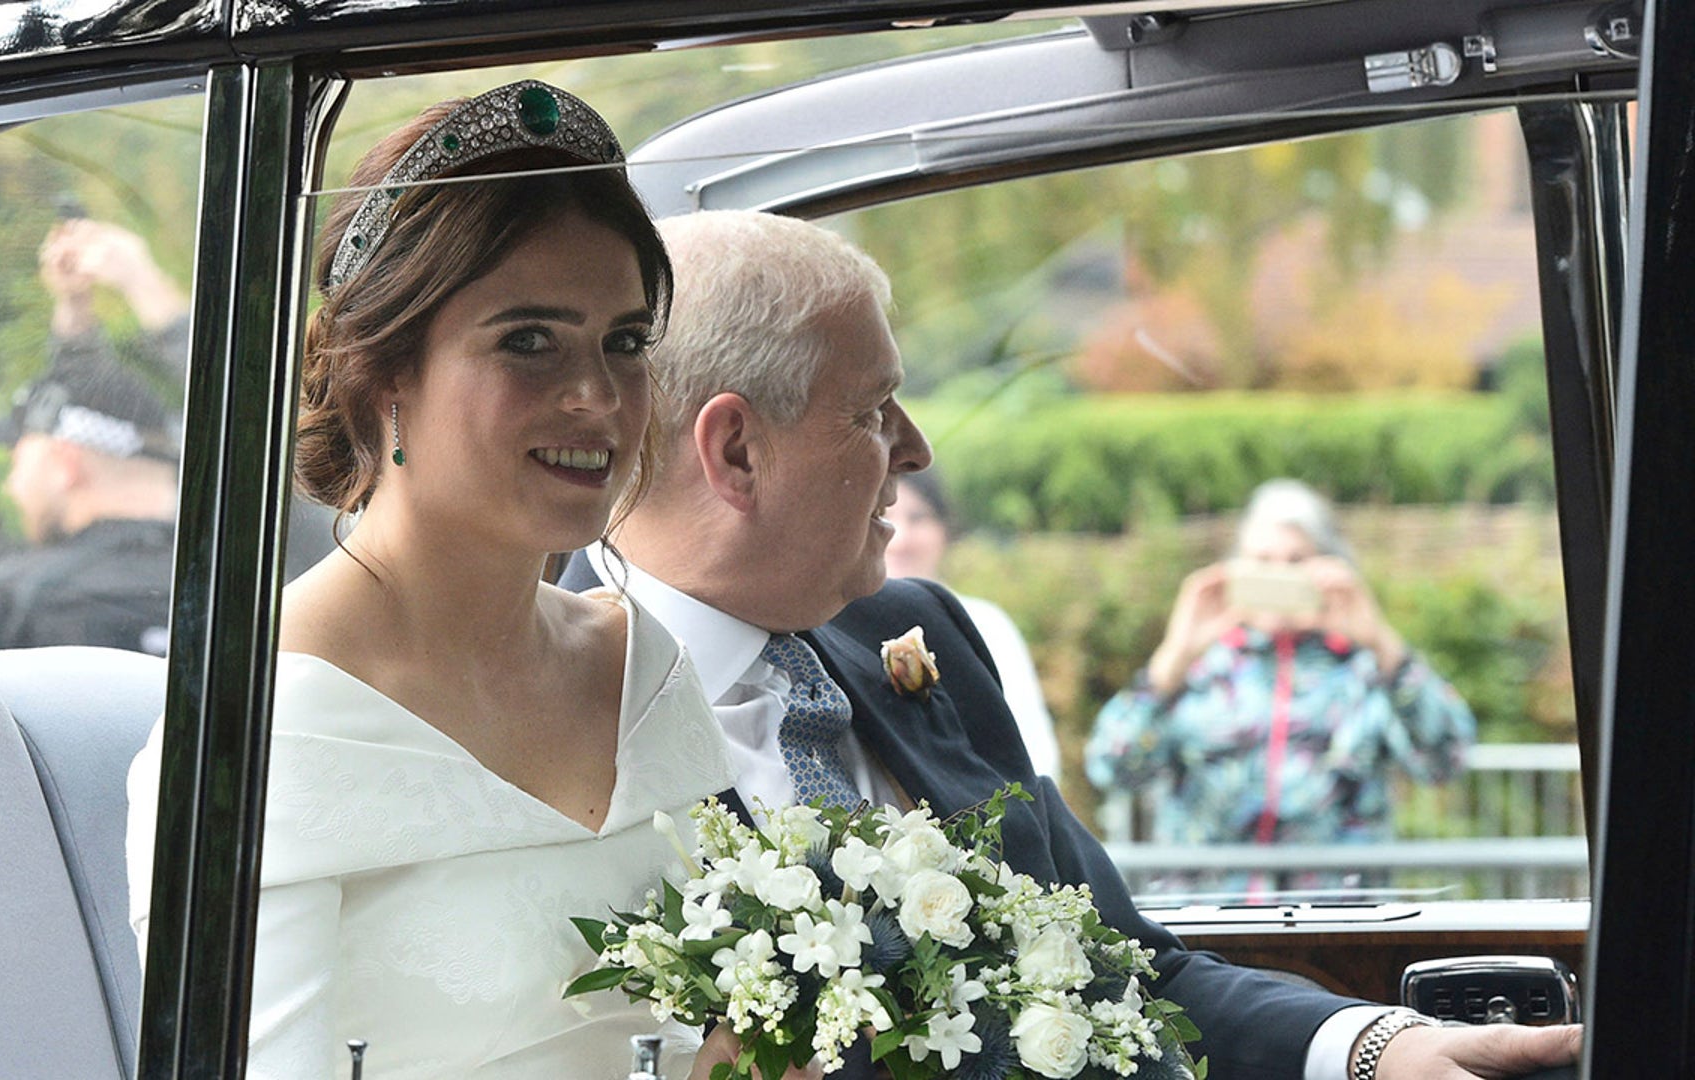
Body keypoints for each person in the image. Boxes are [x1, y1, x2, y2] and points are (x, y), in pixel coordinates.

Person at [560, 209, 1576, 1080]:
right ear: (738, 450)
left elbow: (1124, 967)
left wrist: (1374, 1047)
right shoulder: (537, 711)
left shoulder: (919, 636)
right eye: (872, 411)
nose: (915, 450)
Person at [124, 82, 782, 1080]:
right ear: (385, 370)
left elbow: (732, 1027)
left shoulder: (641, 667)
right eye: (528, 341)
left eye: (624, 342)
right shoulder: (258, 725)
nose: (598, 397)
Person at [1084, 478, 1477, 896]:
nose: (1278, 574)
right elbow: (1111, 766)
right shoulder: (1201, 670)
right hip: (1206, 917)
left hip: (1338, 919)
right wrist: (1173, 657)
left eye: (1296, 560)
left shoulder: (1364, 671)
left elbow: (1446, 759)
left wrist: (1383, 644)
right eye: (1262, 560)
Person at [0, 219, 186, 656]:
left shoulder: (14, 601)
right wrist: (129, 284)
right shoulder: (245, 568)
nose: (11, 485)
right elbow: (240, 396)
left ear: (66, 463)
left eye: (17, 458)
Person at [884, 469, 1060, 777]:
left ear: (945, 529)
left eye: (917, 518)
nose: (901, 538)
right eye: (884, 516)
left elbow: (1034, 747)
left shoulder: (987, 625)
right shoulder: (832, 627)